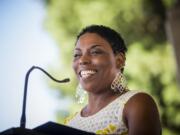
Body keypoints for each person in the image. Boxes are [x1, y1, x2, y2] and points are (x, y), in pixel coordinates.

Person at [65, 24, 162, 135]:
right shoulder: (70, 123)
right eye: (77, 54)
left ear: (119, 60)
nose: (82, 60)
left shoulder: (137, 104)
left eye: (95, 52)